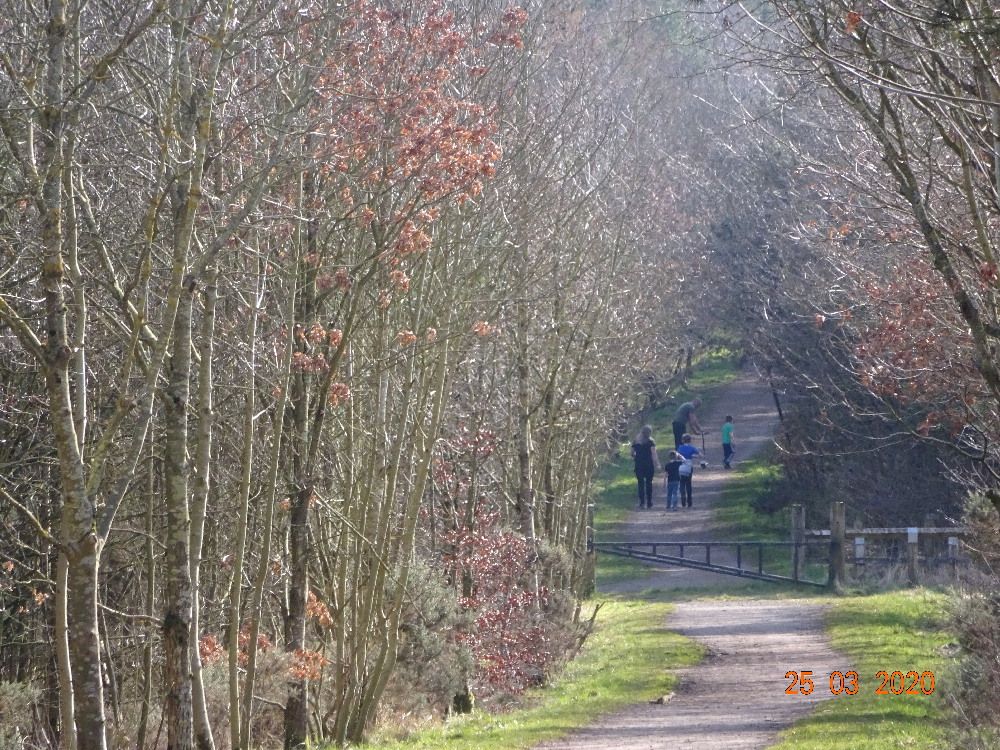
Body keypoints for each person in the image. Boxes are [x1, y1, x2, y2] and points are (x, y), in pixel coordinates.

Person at [631, 425, 659, 509]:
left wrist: (636, 456)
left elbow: (632, 453)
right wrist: (657, 464)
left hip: (639, 464)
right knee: (649, 483)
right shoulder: (651, 442)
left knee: (640, 483)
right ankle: (649, 502)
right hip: (648, 464)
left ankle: (642, 502)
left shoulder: (635, 441)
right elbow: (654, 454)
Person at [675, 433, 702, 508]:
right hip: (689, 467)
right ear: (690, 440)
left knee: (682, 483)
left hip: (681, 466)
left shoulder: (680, 448)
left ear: (683, 440)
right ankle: (689, 501)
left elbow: (677, 457)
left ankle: (683, 498)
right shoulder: (692, 448)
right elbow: (700, 455)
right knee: (688, 483)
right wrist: (693, 456)